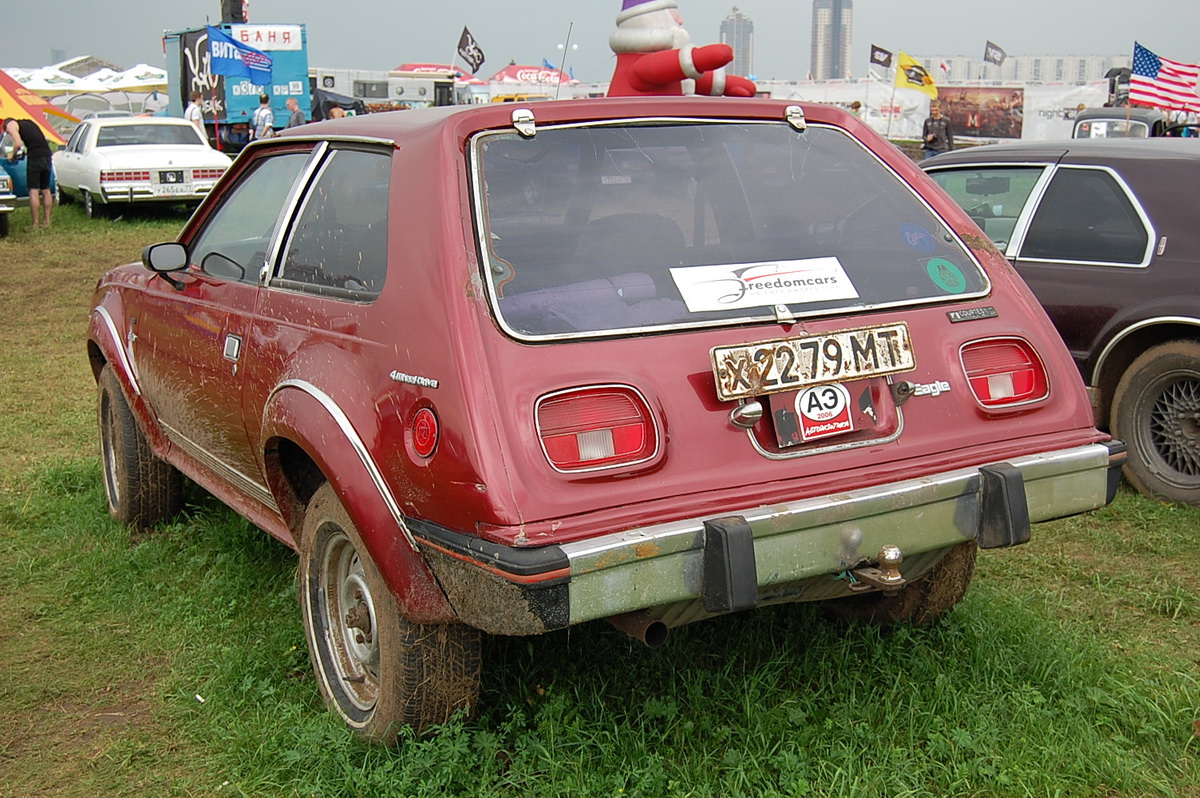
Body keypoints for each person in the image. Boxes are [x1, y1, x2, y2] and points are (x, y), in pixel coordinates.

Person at [3, 117, 53, 229]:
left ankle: (35, 224)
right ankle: (47, 222)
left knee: (33, 191)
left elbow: (18, 143)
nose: (9, 134)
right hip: (47, 155)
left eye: (8, 133)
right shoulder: (29, 123)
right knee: (46, 190)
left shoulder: (11, 124)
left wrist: (12, 154)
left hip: (35, 157)